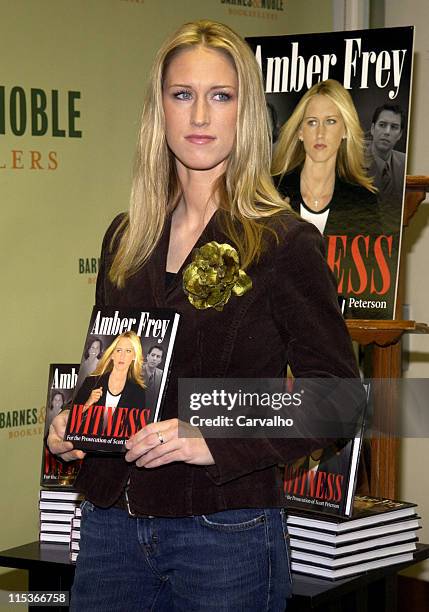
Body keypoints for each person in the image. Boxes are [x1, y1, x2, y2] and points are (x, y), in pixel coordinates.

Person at [48, 21, 361, 611]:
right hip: (110, 526)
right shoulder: (125, 236)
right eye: (182, 94)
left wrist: (211, 434)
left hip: (225, 535)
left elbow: (338, 399)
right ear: (159, 110)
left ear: (245, 114)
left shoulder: (283, 243)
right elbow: (110, 366)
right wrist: (71, 422)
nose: (199, 116)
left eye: (220, 96)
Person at [272, 79, 379, 237]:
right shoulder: (271, 191)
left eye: (330, 121)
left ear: (345, 130)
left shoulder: (363, 200)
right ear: (300, 132)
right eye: (312, 122)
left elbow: (374, 259)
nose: (320, 133)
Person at [73, 331, 146, 434]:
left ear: (134, 356)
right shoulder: (91, 382)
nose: (122, 356)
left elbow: (136, 430)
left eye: (128, 351)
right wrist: (89, 402)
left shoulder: (138, 391)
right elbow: (71, 420)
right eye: (119, 350)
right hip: (85, 446)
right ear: (112, 354)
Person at [365, 103, 406, 211]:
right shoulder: (352, 161)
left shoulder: (406, 163)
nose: (387, 132)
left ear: (400, 134)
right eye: (382, 125)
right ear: (373, 129)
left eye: (394, 127)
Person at [142, 345, 164, 411]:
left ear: (160, 360)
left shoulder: (161, 374)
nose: (154, 359)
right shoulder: (136, 370)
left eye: (158, 357)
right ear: (148, 356)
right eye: (153, 355)